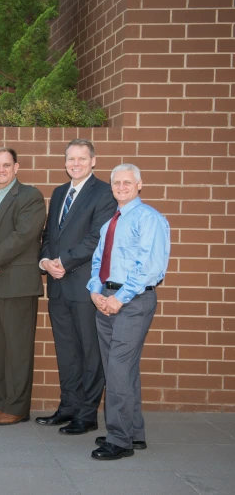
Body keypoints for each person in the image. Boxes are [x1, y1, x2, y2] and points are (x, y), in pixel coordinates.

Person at [88, 164, 170, 460]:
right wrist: (96, 292)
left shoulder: (149, 219)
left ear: (139, 184)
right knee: (122, 368)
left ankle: (119, 440)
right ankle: (132, 431)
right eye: (116, 183)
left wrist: (119, 299)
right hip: (107, 298)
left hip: (132, 302)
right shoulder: (111, 221)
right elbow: (99, 260)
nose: (121, 186)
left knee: (118, 369)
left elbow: (150, 267)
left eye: (127, 182)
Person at [36, 139, 116, 434]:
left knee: (89, 351)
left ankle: (87, 413)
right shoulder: (58, 193)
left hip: (84, 285)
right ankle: (68, 406)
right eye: (71, 158)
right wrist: (45, 261)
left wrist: (63, 261)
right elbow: (48, 236)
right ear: (65, 161)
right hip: (57, 286)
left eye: (82, 158)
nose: (76, 163)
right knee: (66, 350)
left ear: (93, 161)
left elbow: (97, 238)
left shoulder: (104, 192)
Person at [0, 147, 46, 425]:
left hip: (16, 284)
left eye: (6, 165)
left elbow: (24, 236)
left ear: (16, 167)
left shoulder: (30, 196)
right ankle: (1, 402)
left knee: (17, 348)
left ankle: (16, 407)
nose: (1, 170)